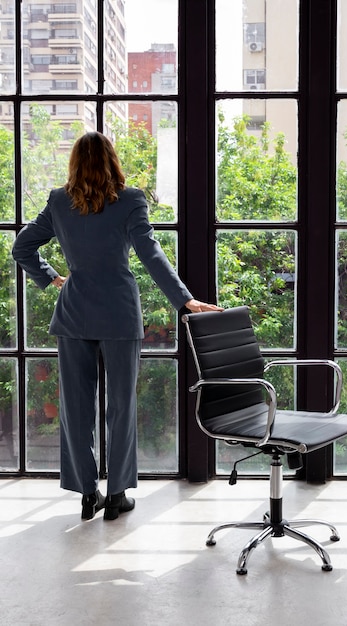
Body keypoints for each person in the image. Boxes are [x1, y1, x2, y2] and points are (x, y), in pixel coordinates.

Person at [12, 131, 223, 521]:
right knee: (121, 406)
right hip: (119, 313)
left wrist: (50, 277)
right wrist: (184, 299)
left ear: (74, 162)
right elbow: (150, 253)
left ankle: (87, 492)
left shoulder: (60, 201)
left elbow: (22, 247)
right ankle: (117, 495)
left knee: (75, 408)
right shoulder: (129, 200)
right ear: (112, 160)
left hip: (74, 312)